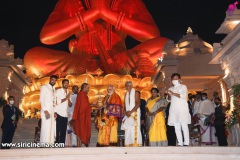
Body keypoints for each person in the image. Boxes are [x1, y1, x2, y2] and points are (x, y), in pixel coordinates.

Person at [24, 0, 168, 77]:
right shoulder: (72, 2)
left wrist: (106, 14)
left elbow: (152, 35)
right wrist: (92, 14)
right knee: (32, 57)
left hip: (121, 60)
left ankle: (115, 67)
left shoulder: (128, 1)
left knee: (164, 45)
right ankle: (84, 67)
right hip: (80, 61)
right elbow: (46, 37)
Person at [167, 73, 191, 146]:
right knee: (176, 126)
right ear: (171, 80)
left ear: (180, 79)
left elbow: (183, 96)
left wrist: (173, 93)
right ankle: (180, 142)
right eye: (174, 79)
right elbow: (169, 100)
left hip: (182, 108)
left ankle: (186, 142)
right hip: (174, 109)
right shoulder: (170, 89)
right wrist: (169, 95)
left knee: (184, 125)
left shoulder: (183, 86)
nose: (175, 80)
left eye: (177, 78)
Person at [121, 81, 142, 146]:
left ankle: (135, 144)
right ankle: (128, 144)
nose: (127, 87)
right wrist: (124, 112)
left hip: (134, 113)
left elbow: (138, 103)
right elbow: (124, 106)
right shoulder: (125, 95)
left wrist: (131, 111)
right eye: (126, 86)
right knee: (127, 129)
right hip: (127, 114)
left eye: (128, 86)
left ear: (131, 86)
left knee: (134, 129)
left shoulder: (136, 93)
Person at [39, 75, 58, 146]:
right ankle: (44, 144)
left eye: (55, 80)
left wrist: (55, 112)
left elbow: (54, 102)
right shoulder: (44, 87)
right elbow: (41, 99)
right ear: (50, 80)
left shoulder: (54, 89)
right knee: (45, 127)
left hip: (52, 111)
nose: (53, 81)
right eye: (52, 79)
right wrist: (45, 110)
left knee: (52, 127)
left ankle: (51, 143)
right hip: (46, 111)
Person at [72, 83, 91, 147]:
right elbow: (84, 106)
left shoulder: (81, 94)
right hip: (81, 116)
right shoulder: (82, 94)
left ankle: (79, 146)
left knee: (79, 132)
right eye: (87, 88)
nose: (88, 89)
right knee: (80, 132)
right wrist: (93, 105)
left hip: (80, 116)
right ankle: (78, 146)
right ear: (84, 88)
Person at [55, 79, 72, 144]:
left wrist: (69, 99)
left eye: (67, 83)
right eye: (65, 83)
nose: (66, 84)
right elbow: (57, 101)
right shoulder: (58, 91)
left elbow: (70, 105)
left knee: (63, 131)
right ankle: (56, 144)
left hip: (65, 114)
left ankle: (61, 145)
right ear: (62, 84)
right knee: (57, 130)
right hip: (58, 113)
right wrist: (66, 98)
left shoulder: (68, 92)